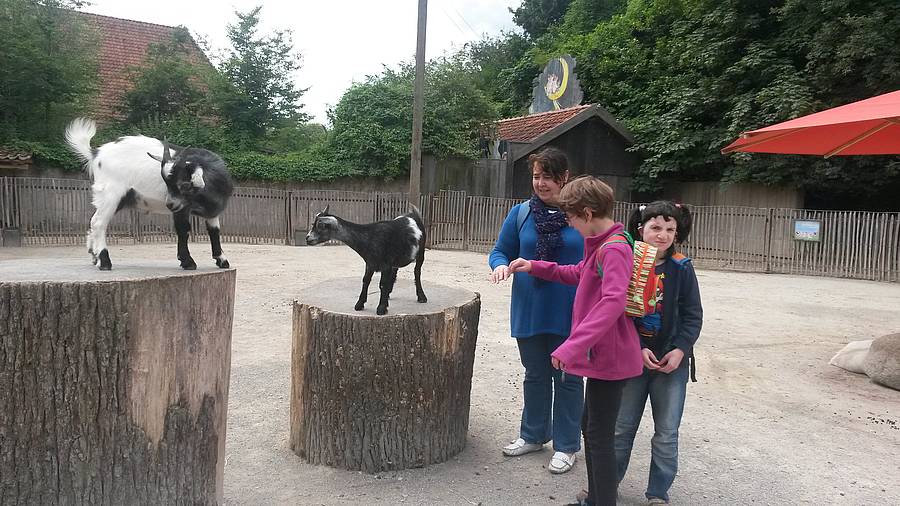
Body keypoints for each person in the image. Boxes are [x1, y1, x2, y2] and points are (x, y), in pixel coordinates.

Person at [507, 176, 643, 506]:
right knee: (591, 428)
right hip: (602, 355)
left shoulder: (614, 249)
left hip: (610, 357)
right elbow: (579, 273)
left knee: (599, 436)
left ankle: (602, 500)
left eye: (571, 217)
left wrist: (572, 345)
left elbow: (612, 302)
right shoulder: (602, 244)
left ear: (587, 212)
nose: (569, 223)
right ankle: (594, 498)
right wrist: (535, 266)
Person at [488, 147, 584, 474]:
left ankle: (567, 445)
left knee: (568, 378)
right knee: (535, 374)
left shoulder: (581, 215)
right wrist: (500, 266)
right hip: (529, 308)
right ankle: (533, 435)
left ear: (565, 177)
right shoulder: (521, 214)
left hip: (570, 311)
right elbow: (500, 251)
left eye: (548, 176)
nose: (541, 183)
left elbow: (594, 261)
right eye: (536, 176)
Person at [614, 201, 703, 505]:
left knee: (666, 433)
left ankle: (657, 493)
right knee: (621, 427)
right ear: (641, 229)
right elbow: (618, 312)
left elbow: (693, 316)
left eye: (669, 229)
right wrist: (637, 347)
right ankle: (606, 483)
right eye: (655, 227)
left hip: (671, 364)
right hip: (632, 360)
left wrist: (680, 350)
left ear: (677, 233)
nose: (662, 234)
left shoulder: (682, 267)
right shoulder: (627, 262)